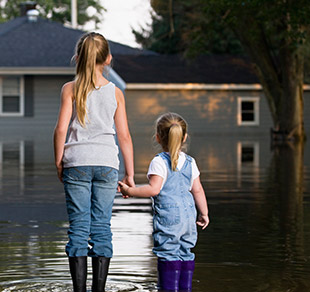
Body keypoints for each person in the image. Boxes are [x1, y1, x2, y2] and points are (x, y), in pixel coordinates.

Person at [53, 32, 135, 292]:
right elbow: (124, 136)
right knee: (101, 226)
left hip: (76, 161)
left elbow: (60, 130)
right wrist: (130, 174)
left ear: (77, 58)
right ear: (108, 59)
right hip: (107, 163)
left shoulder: (70, 88)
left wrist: (59, 162)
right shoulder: (116, 92)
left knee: (78, 227)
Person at [118, 112, 209, 291]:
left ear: (158, 137)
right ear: (184, 137)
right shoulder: (190, 162)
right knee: (185, 252)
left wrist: (130, 190)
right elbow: (197, 189)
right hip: (189, 216)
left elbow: (154, 189)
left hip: (170, 217)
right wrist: (204, 213)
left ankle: (168, 288)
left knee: (168, 253)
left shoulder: (159, 162)